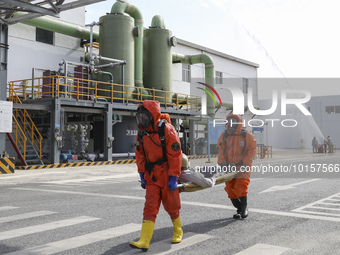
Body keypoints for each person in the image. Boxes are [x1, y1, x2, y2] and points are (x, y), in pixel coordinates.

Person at [130, 100, 183, 252]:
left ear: (152, 115)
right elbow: (139, 153)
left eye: (144, 117)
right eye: (139, 117)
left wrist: (174, 177)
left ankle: (178, 230)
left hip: (166, 173)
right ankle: (144, 240)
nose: (141, 120)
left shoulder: (167, 129)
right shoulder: (142, 132)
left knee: (172, 205)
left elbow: (175, 154)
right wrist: (141, 172)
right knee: (150, 206)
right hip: (152, 175)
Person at [217, 113, 256, 219]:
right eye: (229, 121)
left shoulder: (246, 136)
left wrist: (245, 164)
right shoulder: (225, 136)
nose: (231, 124)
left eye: (234, 121)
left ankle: (243, 209)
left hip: (242, 167)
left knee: (240, 187)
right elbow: (221, 151)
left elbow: (251, 151)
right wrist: (222, 163)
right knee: (229, 189)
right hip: (229, 168)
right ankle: (239, 208)